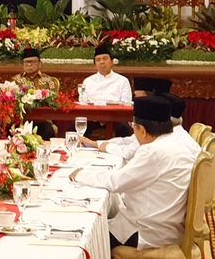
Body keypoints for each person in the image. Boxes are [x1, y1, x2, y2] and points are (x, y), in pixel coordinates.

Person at [69, 96, 195, 250]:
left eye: (133, 126)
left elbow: (115, 183)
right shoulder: (174, 142)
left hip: (147, 232)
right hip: (166, 225)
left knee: (83, 238)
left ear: (141, 130)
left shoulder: (153, 150)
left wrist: (80, 174)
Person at [81, 45, 133, 138]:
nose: (102, 62)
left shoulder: (122, 81)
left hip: (116, 118)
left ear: (112, 62)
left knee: (124, 130)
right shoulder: (88, 81)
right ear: (95, 64)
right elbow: (83, 102)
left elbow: (127, 104)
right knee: (73, 129)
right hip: (93, 118)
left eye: (105, 59)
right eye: (98, 60)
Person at [11, 47, 60, 140]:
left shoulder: (50, 81)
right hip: (21, 120)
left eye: (32, 62)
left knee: (47, 130)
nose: (29, 64)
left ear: (39, 63)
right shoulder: (15, 81)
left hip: (43, 120)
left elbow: (55, 102)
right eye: (26, 62)